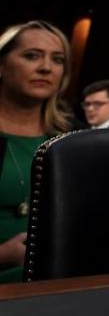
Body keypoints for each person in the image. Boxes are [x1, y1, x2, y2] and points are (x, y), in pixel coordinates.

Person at [0, 21, 73, 283]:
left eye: (57, 60)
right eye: (31, 56)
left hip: (59, 282)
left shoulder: (74, 138)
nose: (45, 67)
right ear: (2, 64)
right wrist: (4, 254)